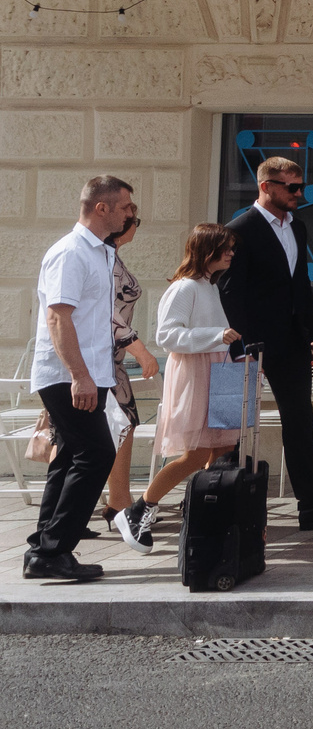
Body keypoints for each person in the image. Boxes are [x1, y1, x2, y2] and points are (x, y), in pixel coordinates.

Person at [220, 154, 313, 531]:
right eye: (292, 187)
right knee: (235, 427)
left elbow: (301, 285)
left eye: (301, 186)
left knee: (299, 421)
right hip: (252, 345)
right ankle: (221, 502)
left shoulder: (296, 228)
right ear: (266, 186)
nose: (300, 193)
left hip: (291, 342)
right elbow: (231, 294)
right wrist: (244, 347)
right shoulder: (240, 229)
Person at [25, 177, 134, 581]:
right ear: (101, 208)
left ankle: (43, 548)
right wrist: (80, 376)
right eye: (124, 207)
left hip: (89, 373)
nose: (129, 214)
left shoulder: (100, 253)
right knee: (95, 455)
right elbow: (58, 317)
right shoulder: (71, 252)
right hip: (68, 374)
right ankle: (52, 551)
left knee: (71, 456)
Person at [116, 224, 245, 551]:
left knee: (225, 447)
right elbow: (167, 336)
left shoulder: (209, 286)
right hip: (198, 372)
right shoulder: (184, 287)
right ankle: (140, 508)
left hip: (221, 371)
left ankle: (203, 511)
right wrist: (216, 336)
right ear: (208, 249)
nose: (231, 253)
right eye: (226, 247)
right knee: (197, 452)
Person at [100, 208, 162, 548]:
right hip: (103, 360)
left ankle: (117, 501)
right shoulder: (105, 261)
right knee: (118, 426)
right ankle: (118, 502)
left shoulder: (111, 257)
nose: (136, 225)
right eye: (135, 220)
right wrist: (140, 350)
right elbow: (109, 313)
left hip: (110, 360)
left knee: (123, 424)